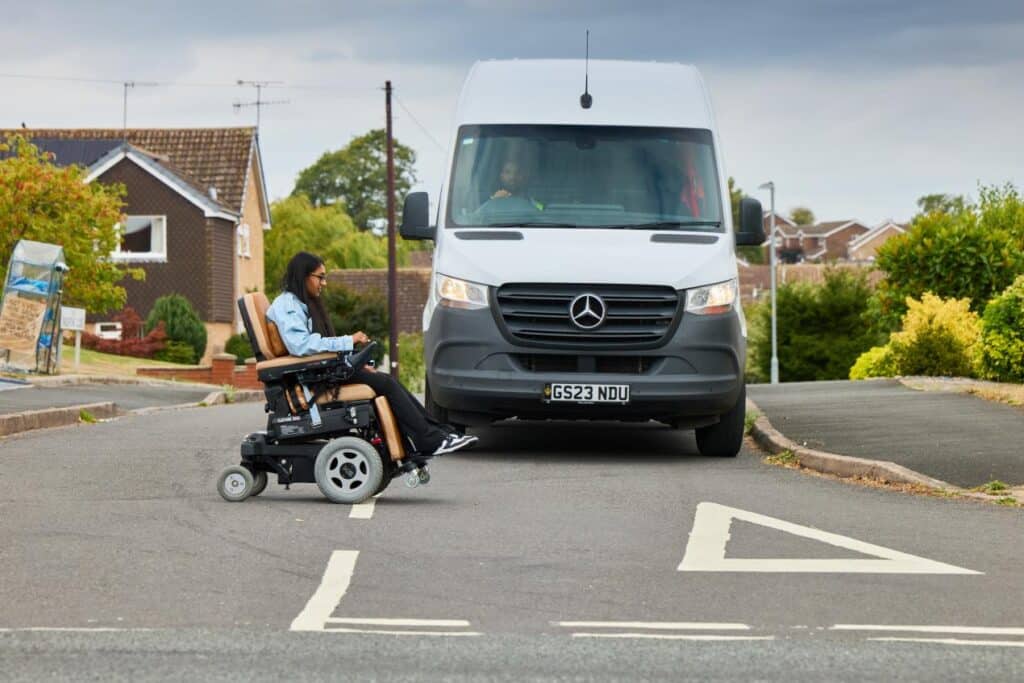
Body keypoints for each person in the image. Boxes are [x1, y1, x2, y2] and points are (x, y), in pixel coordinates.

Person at [266, 252, 477, 458]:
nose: (324, 283)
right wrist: (348, 340)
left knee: (386, 381)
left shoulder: (299, 303)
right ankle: (430, 440)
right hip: (310, 377)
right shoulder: (288, 304)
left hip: (319, 370)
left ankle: (438, 434)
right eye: (320, 277)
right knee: (386, 384)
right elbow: (300, 346)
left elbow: (311, 345)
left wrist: (353, 362)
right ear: (303, 276)